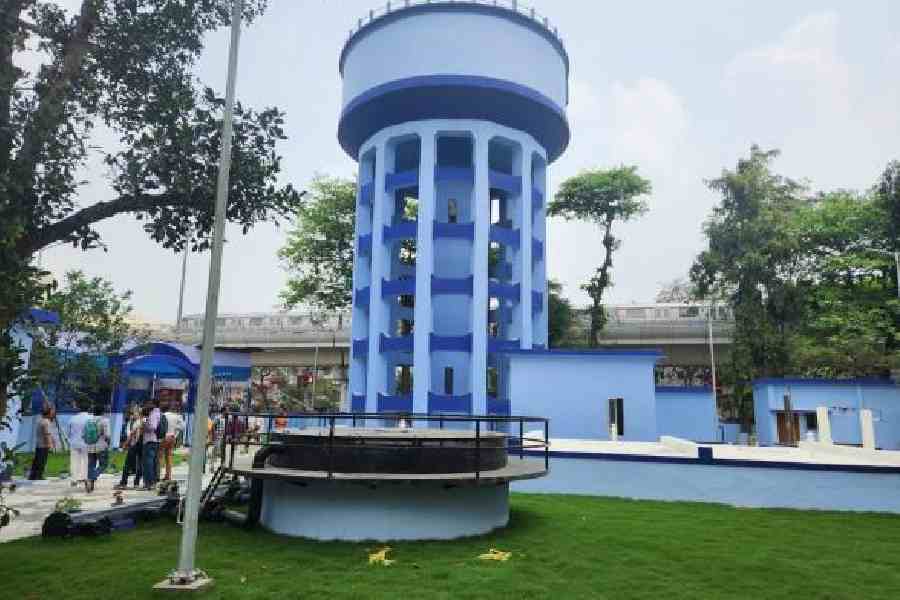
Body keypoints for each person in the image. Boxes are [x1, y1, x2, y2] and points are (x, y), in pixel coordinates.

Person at [115, 405, 143, 489]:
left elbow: (132, 435)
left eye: (134, 412)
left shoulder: (139, 422)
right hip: (135, 444)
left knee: (128, 464)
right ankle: (134, 482)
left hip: (135, 444)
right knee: (136, 464)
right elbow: (129, 433)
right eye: (131, 413)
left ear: (139, 413)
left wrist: (125, 444)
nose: (132, 414)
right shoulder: (132, 422)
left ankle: (125, 482)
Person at [85, 405, 110, 493]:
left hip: (90, 446)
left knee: (91, 465)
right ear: (103, 412)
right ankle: (91, 477)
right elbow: (107, 435)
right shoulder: (104, 420)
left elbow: (83, 434)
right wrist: (108, 443)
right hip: (101, 446)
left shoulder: (88, 421)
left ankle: (89, 480)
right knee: (104, 464)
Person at [28, 405, 56, 480]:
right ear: (48, 413)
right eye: (52, 412)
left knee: (37, 460)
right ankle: (39, 476)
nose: (53, 414)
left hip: (39, 444)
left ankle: (33, 475)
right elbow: (47, 434)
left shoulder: (41, 421)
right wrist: (50, 445)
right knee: (41, 461)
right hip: (43, 445)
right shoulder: (46, 422)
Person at [67, 405, 91, 487]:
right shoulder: (91, 418)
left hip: (74, 443)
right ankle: (84, 477)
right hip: (86, 443)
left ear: (79, 408)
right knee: (86, 460)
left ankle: (74, 479)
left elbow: (69, 432)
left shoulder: (73, 418)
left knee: (74, 461)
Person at [141, 399, 162, 490]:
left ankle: (149, 483)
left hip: (150, 440)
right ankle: (153, 481)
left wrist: (145, 425)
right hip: (155, 440)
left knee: (148, 463)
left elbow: (153, 427)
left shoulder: (153, 414)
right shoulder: (159, 413)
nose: (148, 404)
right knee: (153, 462)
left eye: (149, 403)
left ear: (153, 404)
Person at [161, 403, 185, 481]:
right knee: (169, 457)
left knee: (159, 457)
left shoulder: (164, 415)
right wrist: (175, 428)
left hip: (164, 437)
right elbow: (182, 427)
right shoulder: (178, 416)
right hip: (172, 437)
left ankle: (157, 474)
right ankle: (168, 475)